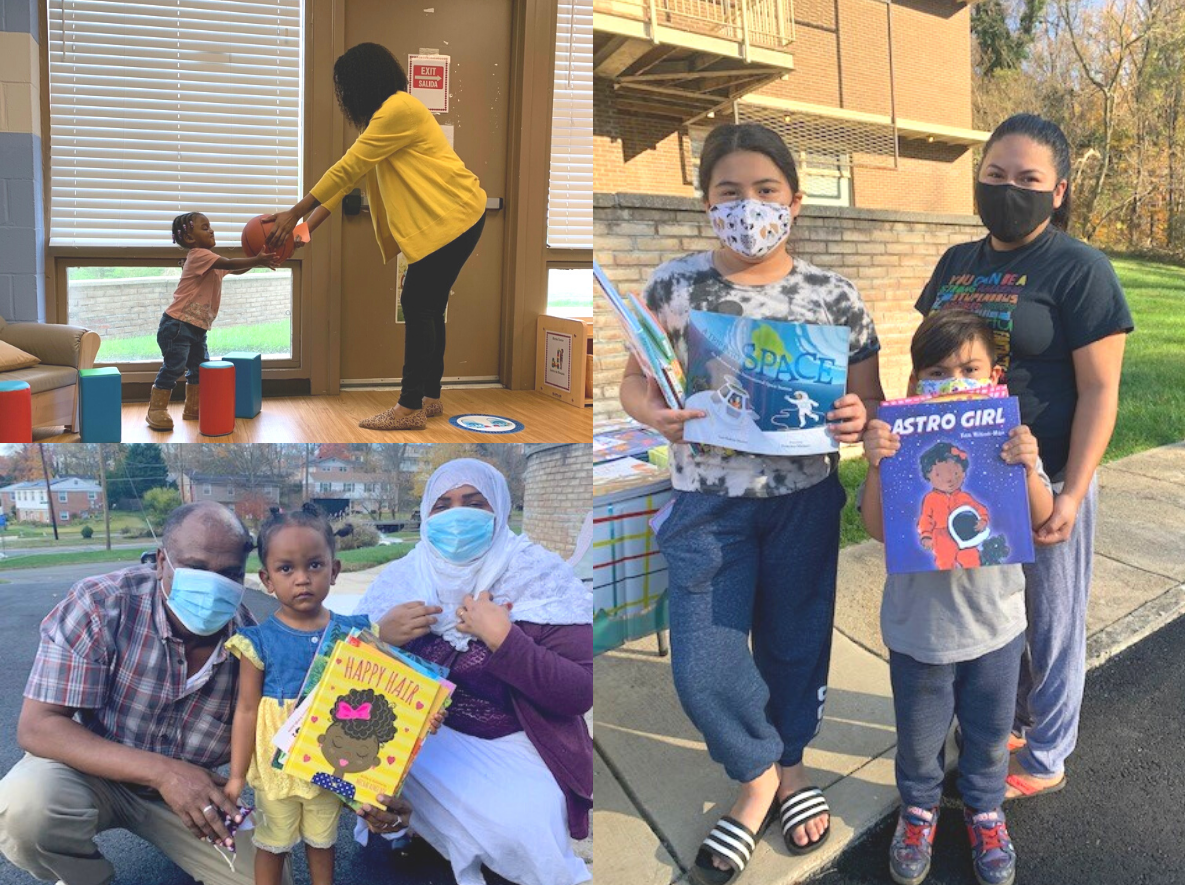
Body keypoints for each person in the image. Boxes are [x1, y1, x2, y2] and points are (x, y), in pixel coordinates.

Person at [618, 122, 883, 884]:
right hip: (706, 504)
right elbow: (637, 382)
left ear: (794, 201)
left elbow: (868, 405)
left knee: (795, 646)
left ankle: (789, 770)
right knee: (701, 663)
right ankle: (755, 770)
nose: (748, 207)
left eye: (765, 191)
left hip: (803, 501)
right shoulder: (674, 287)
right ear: (705, 203)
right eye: (729, 192)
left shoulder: (833, 297)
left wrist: (858, 421)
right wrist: (650, 413)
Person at [0, 501, 410, 885]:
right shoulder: (101, 604)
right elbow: (38, 728)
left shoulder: (257, 646)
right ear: (162, 561)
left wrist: (367, 792)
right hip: (96, 771)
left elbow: (318, 727)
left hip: (199, 795)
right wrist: (164, 772)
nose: (213, 585)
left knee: (267, 878)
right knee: (26, 809)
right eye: (196, 567)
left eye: (229, 573)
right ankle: (88, 878)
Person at [916, 113, 1133, 800]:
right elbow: (925, 356)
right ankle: (1009, 718)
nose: (1009, 189)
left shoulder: (1079, 269)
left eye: (1028, 179)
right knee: (992, 616)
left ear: (1057, 190)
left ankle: (1046, 752)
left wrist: (1072, 492)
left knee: (1051, 617)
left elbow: (1101, 390)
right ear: (977, 178)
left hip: (1046, 476)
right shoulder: (956, 262)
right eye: (995, 175)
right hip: (966, 477)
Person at [860, 310, 1054, 885]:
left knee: (992, 735)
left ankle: (985, 808)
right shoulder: (900, 444)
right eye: (939, 371)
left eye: (970, 369)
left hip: (996, 627)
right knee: (920, 739)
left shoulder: (1007, 441)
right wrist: (876, 465)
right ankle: (918, 810)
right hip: (919, 630)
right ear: (916, 382)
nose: (956, 380)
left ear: (994, 376)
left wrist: (1027, 466)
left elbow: (1041, 519)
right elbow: (875, 526)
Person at [356, 458, 593, 885]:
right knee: (365, 781)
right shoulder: (400, 580)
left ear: (499, 509)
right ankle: (422, 837)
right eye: (441, 505)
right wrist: (379, 636)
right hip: (420, 740)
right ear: (426, 515)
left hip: (513, 739)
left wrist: (505, 639)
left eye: (473, 502)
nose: (456, 516)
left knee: (521, 826)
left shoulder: (538, 576)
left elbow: (579, 693)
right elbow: (341, 681)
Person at [265, 42, 487, 431]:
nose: (343, 97)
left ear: (361, 84)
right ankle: (428, 399)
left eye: (344, 88)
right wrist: (302, 233)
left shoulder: (400, 109)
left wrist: (293, 213)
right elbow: (345, 185)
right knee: (429, 305)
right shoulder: (385, 121)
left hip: (453, 217)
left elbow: (345, 167)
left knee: (418, 302)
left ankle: (408, 407)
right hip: (456, 218)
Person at [224, 504, 375, 885]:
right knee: (272, 844)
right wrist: (236, 776)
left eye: (314, 565)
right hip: (278, 764)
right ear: (267, 579)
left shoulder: (354, 634)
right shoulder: (257, 641)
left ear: (334, 570)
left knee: (323, 842)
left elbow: (376, 699)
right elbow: (245, 710)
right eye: (286, 568)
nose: (302, 579)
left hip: (329, 757)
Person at [147, 212, 281, 431]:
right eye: (205, 227)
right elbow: (230, 262)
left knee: (199, 369)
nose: (211, 230)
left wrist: (258, 261)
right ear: (190, 239)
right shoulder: (199, 255)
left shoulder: (210, 261)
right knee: (174, 367)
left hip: (196, 327)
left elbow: (233, 268)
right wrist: (257, 259)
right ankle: (156, 410)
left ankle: (193, 408)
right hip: (177, 325)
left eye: (210, 226)